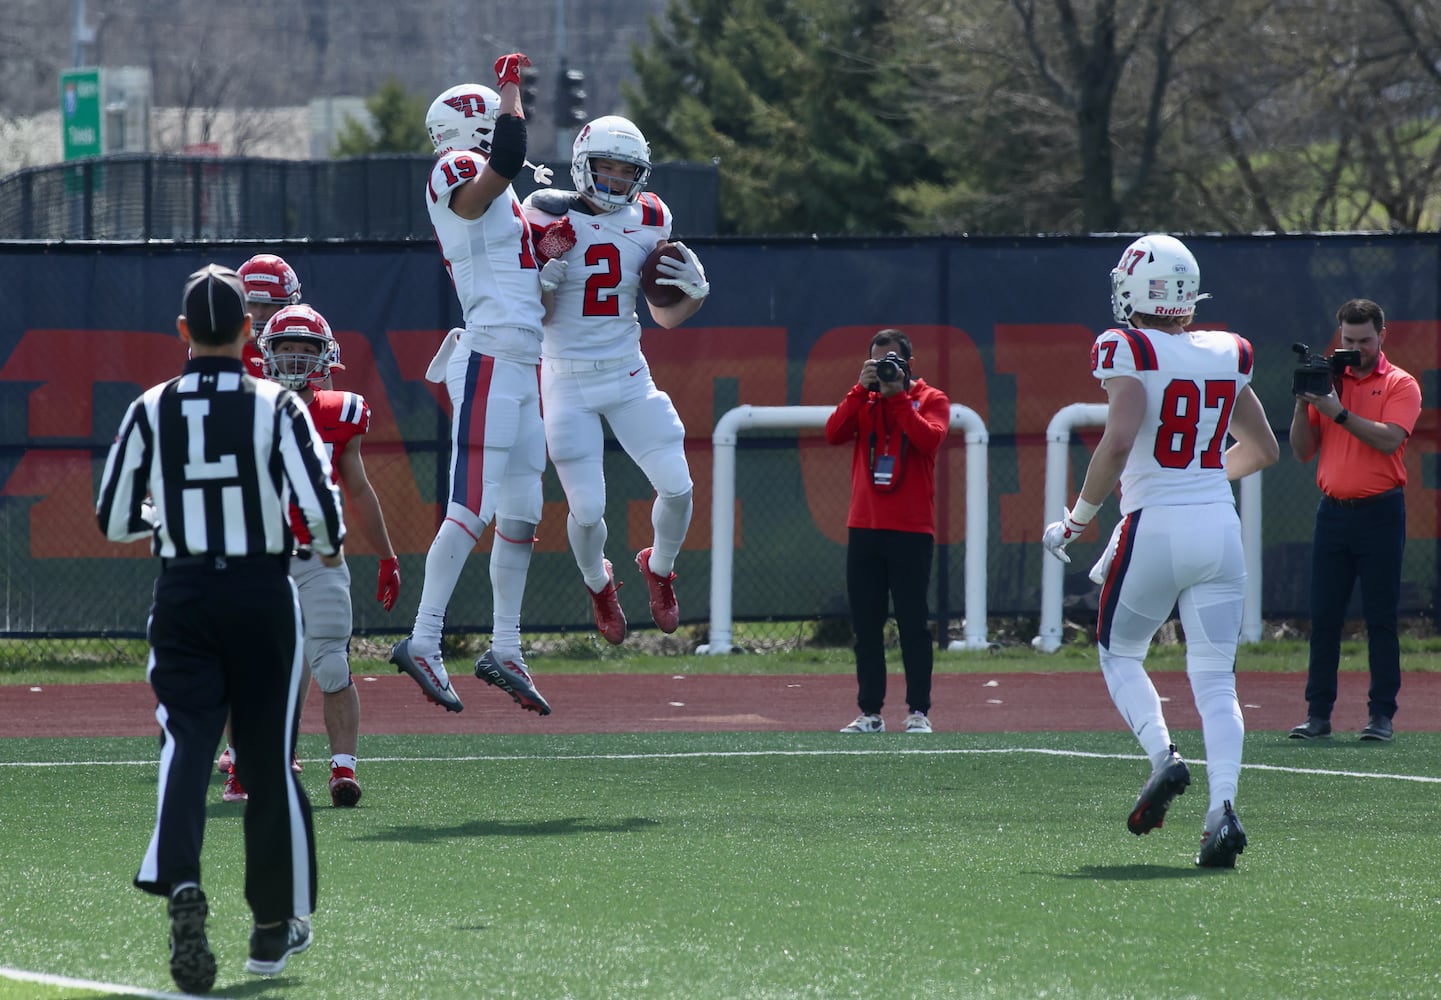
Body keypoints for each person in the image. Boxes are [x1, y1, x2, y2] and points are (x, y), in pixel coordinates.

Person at [96, 265, 343, 991]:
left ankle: (179, 882)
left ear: (182, 332)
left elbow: (113, 519)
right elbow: (323, 514)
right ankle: (273, 929)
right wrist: (321, 545)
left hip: (184, 592)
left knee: (187, 743)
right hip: (263, 591)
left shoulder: (149, 407)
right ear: (249, 334)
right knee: (267, 758)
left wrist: (164, 521)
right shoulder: (277, 403)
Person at [1042, 234, 1279, 869]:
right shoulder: (1228, 352)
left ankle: (1163, 756)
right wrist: (1199, 483)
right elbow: (1264, 451)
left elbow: (1120, 439)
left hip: (1155, 525)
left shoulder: (1127, 346)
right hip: (1218, 527)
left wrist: (1077, 518)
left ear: (1133, 291)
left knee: (1118, 652)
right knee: (1216, 683)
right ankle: (1223, 810)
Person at [389, 52, 552, 716]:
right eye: (489, 114)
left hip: (518, 360)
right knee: (471, 506)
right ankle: (423, 638)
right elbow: (506, 159)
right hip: (487, 353)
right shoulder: (455, 170)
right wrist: (511, 85)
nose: (502, 120)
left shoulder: (494, 189)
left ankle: (505, 646)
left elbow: (507, 245)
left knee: (523, 513)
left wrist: (552, 247)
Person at [521, 115, 710, 644]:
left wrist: (695, 294)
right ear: (582, 166)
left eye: (626, 172)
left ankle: (659, 566)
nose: (614, 181)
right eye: (604, 169)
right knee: (587, 509)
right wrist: (543, 282)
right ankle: (599, 584)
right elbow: (533, 315)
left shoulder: (651, 216)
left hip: (629, 373)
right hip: (566, 378)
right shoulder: (542, 211)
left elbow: (665, 317)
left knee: (679, 486)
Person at [255, 303, 402, 806]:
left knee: (333, 666)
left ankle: (343, 770)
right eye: (286, 347)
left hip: (319, 557)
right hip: (258, 559)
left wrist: (386, 555)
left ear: (325, 356)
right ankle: (252, 762)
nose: (296, 357)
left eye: (306, 348)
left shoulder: (340, 412)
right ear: (265, 353)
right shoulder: (243, 406)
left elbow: (357, 489)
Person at [1287, 298, 1420, 743]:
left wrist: (1337, 411)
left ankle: (1381, 715)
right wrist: (1304, 399)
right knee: (1324, 617)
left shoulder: (1400, 384)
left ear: (1382, 336)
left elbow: (1389, 440)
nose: (1356, 348)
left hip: (1381, 510)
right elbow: (1302, 451)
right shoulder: (1331, 383)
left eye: (1364, 340)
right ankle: (1318, 714)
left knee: (1381, 617)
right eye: (1348, 340)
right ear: (1338, 336)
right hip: (1333, 512)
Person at [824, 329, 950, 735]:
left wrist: (897, 397)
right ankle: (870, 712)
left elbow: (928, 440)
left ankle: (918, 712)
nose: (885, 368)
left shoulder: (932, 399)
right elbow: (833, 433)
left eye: (892, 361)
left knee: (913, 624)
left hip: (912, 529)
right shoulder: (865, 399)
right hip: (865, 526)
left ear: (909, 364)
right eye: (878, 362)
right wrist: (860, 390)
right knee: (866, 625)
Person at [216, 251, 308, 801]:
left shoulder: (298, 349)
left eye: (274, 305)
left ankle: (273, 743)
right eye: (255, 305)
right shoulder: (220, 355)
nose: (265, 315)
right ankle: (239, 745)